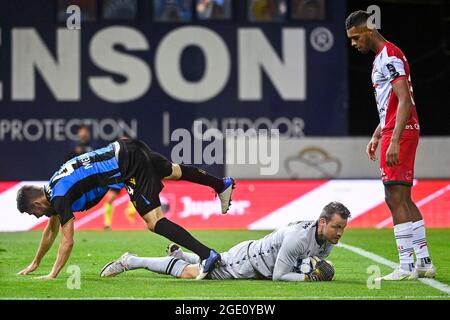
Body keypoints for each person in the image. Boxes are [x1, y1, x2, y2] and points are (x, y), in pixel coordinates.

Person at [16, 138, 235, 280]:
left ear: (36, 204)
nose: (35, 216)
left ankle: (206, 255)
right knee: (173, 171)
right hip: (127, 146)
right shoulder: (54, 183)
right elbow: (50, 230)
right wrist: (36, 263)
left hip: (128, 164)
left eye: (31, 213)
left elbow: (67, 239)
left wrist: (52, 274)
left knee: (154, 221)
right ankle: (220, 184)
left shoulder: (59, 196)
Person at [345, 10, 436, 281]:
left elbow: (405, 100)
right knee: (404, 197)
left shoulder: (390, 56)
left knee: (393, 197)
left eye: (355, 37)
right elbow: (391, 106)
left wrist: (393, 139)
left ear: (369, 31)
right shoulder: (383, 58)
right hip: (397, 130)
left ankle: (406, 266)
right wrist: (377, 134)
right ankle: (424, 262)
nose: (353, 43)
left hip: (401, 133)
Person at [100, 202, 349, 282]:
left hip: (254, 259)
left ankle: (181, 255)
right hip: (248, 261)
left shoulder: (327, 241)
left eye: (342, 228)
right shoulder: (298, 236)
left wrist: (309, 268)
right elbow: (279, 275)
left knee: (208, 263)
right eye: (337, 226)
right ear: (323, 222)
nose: (340, 232)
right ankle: (132, 261)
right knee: (193, 275)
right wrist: (308, 277)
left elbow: (300, 262)